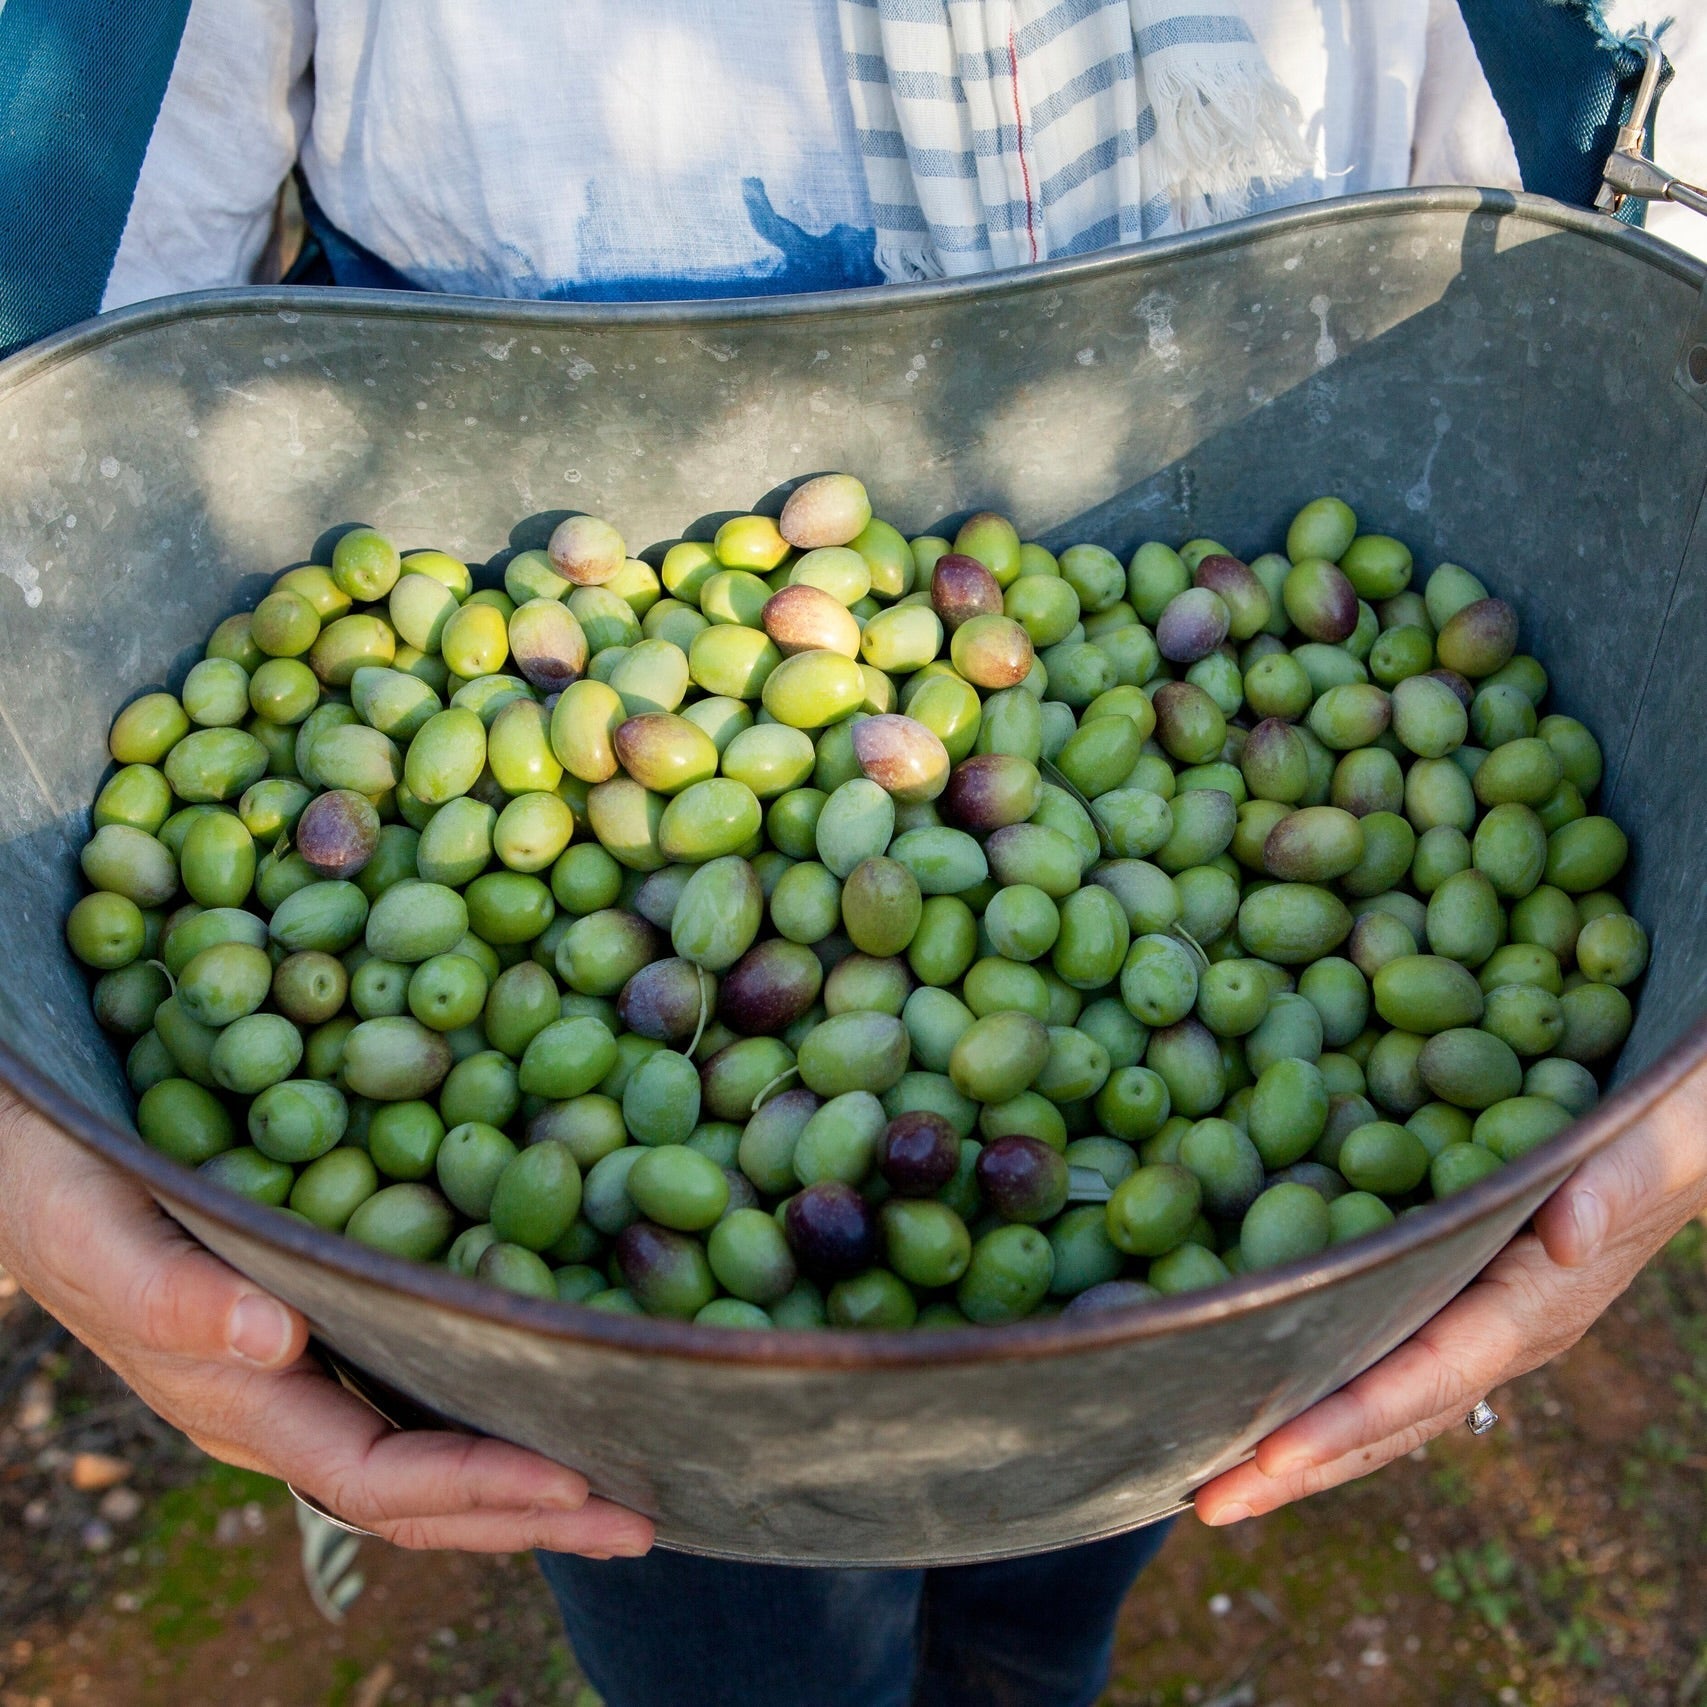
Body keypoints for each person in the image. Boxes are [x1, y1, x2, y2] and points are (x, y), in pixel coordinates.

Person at [1, 4, 1703, 1705]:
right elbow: (53, 439)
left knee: (1072, 1536)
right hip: (631, 1405)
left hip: (1160, 1283)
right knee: (728, 1638)